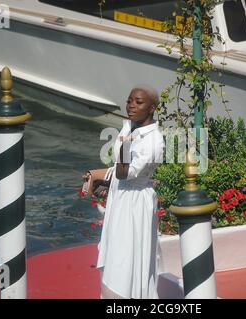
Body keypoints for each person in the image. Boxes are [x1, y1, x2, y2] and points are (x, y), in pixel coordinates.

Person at [95, 85, 165, 299]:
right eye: (129, 100)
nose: (131, 105)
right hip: (120, 197)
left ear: (151, 108)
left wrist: (125, 148)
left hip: (135, 203)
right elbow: (118, 170)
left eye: (138, 102)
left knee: (128, 255)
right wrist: (102, 179)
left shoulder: (154, 142)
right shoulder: (129, 127)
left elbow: (126, 173)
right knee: (116, 249)